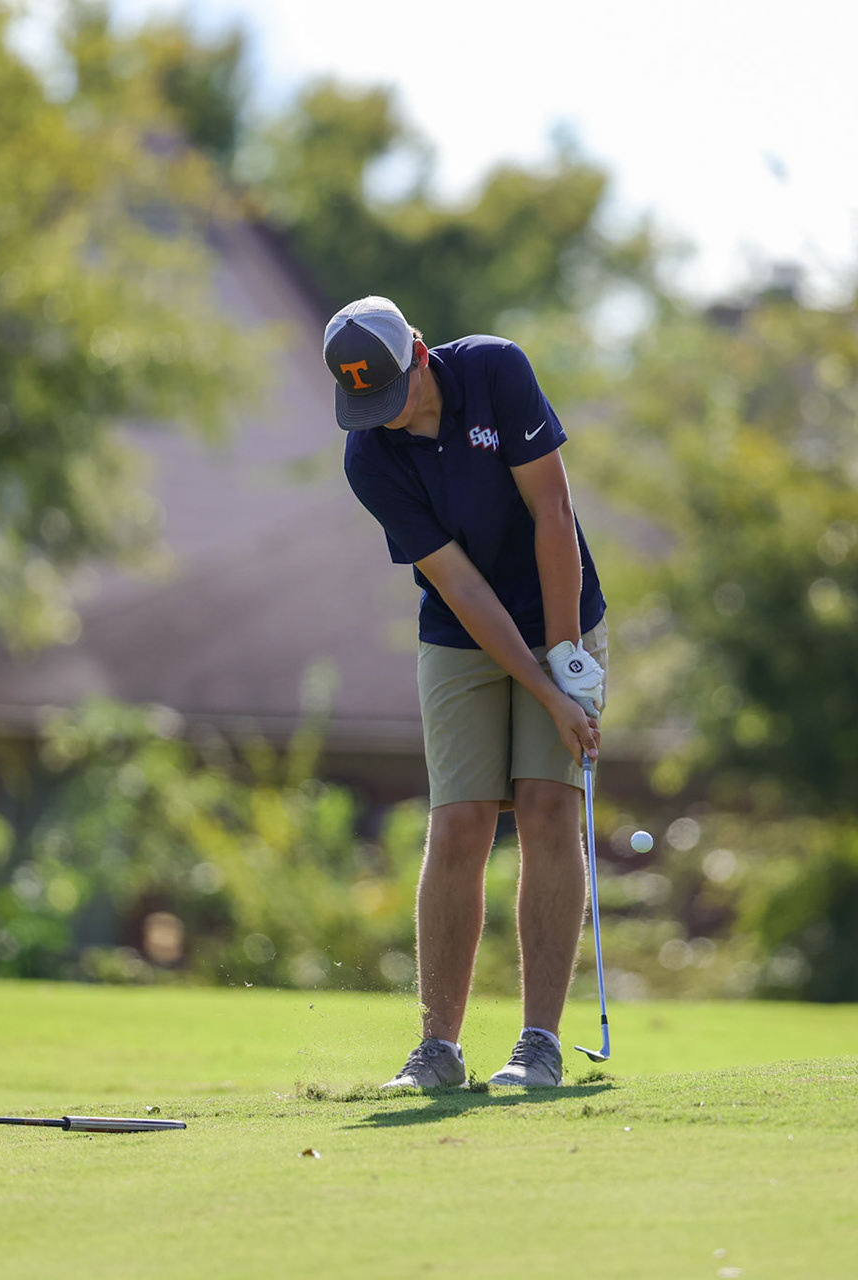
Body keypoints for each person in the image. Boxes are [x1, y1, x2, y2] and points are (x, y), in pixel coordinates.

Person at [326, 295, 608, 1089]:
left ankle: (539, 1044)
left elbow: (553, 512)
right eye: (367, 404)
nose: (385, 416)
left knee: (547, 806)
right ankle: (438, 1052)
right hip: (462, 631)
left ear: (419, 353)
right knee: (459, 822)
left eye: (393, 393)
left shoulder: (494, 370)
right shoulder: (369, 457)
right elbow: (461, 586)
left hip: (561, 611)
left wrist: (564, 664)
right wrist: (543, 694)